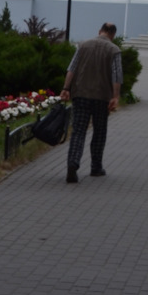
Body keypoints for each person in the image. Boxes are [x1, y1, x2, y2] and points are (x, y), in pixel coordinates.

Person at [60, 22, 122, 183]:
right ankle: (96, 167)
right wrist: (115, 96)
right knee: (99, 132)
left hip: (81, 95)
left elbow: (71, 68)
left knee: (78, 131)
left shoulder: (83, 45)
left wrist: (66, 88)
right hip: (102, 97)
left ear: (100, 31)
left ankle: (72, 163)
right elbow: (117, 75)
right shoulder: (114, 50)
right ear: (113, 35)